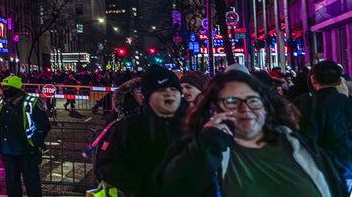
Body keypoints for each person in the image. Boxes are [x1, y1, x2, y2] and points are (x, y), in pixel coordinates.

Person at [157, 66, 339, 197]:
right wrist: (207, 145)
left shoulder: (296, 142)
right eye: (231, 101)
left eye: (252, 100)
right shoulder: (202, 149)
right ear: (214, 108)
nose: (245, 108)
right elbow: (174, 186)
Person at [93, 64, 183, 197]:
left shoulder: (193, 123)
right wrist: (142, 185)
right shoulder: (126, 127)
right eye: (160, 90)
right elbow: (107, 165)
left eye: (173, 89)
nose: (168, 94)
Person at [294, 60, 352, 191]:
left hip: (317, 170)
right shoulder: (348, 104)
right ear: (339, 81)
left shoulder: (303, 104)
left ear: (313, 80)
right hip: (348, 169)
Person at [0, 75, 49, 197]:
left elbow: (43, 125)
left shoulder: (31, 103)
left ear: (16, 89)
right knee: (12, 184)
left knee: (32, 183)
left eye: (7, 87)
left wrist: (35, 141)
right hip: (7, 151)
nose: (4, 90)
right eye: (3, 87)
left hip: (27, 151)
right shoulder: (0, 104)